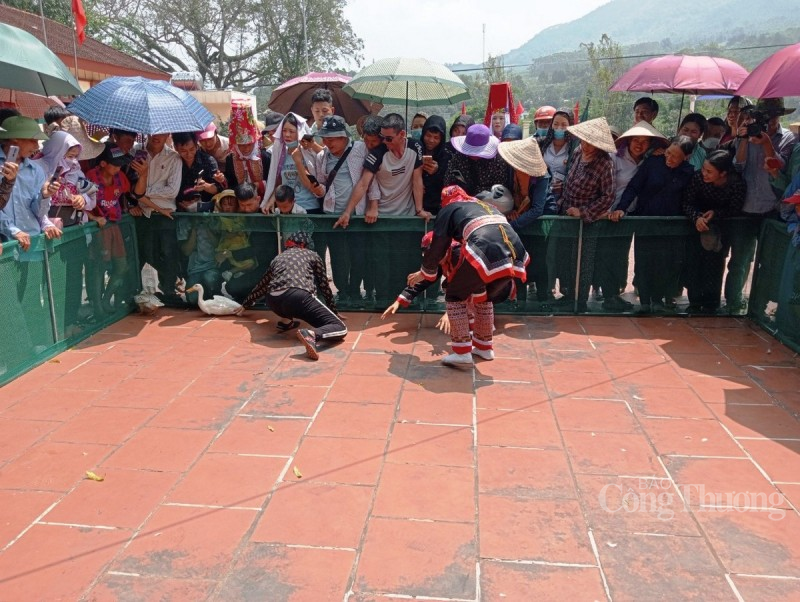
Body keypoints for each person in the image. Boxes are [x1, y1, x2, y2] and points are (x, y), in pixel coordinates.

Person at [407, 185, 528, 367]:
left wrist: (426, 271)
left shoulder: (448, 209)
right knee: (483, 298)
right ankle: (484, 347)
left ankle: (462, 352)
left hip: (486, 246)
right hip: (514, 248)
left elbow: (439, 245)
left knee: (454, 294)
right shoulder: (481, 204)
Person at [726, 97, 797, 314]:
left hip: (773, 209)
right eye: (765, 116)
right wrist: (745, 137)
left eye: (774, 116)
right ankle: (734, 304)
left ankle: (759, 306)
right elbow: (737, 165)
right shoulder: (747, 132)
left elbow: (780, 170)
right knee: (740, 260)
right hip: (746, 207)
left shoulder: (789, 140)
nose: (770, 120)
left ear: (780, 116)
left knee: (769, 262)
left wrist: (766, 143)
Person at [613, 136, 696, 313]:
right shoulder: (653, 163)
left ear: (686, 157)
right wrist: (621, 208)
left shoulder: (688, 172)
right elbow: (633, 187)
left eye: (675, 157)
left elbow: (689, 199)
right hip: (647, 222)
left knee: (665, 263)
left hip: (671, 227)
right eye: (668, 153)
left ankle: (658, 300)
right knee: (644, 262)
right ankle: (644, 301)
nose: (669, 159)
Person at [237, 230, 346, 360]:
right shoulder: (312, 255)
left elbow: (262, 285)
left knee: (289, 304)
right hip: (297, 297)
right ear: (306, 245)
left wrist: (246, 304)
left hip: (273, 301)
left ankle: (285, 322)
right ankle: (312, 334)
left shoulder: (278, 257)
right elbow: (324, 286)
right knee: (339, 327)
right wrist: (333, 311)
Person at [602, 121, 669, 309]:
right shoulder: (614, 157)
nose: (639, 145)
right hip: (609, 212)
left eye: (645, 141)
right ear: (629, 141)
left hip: (632, 213)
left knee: (622, 255)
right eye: (636, 140)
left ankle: (616, 294)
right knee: (610, 255)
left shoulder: (652, 160)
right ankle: (609, 296)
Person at [314, 115, 378, 302]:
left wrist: (373, 204)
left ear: (344, 137)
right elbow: (323, 183)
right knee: (338, 256)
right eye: (325, 138)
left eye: (332, 138)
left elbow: (371, 179)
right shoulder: (322, 156)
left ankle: (355, 291)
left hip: (358, 214)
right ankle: (342, 290)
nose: (327, 142)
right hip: (332, 214)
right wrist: (318, 189)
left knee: (359, 255)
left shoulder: (360, 149)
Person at [556, 117, 617, 311]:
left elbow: (608, 197)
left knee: (584, 262)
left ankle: (580, 300)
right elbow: (569, 178)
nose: (586, 145)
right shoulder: (577, 152)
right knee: (567, 259)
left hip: (588, 222)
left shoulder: (605, 164)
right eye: (584, 140)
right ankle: (567, 296)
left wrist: (583, 212)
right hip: (567, 216)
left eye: (591, 142)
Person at [683, 150, 746, 313]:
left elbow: (735, 208)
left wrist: (716, 214)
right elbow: (687, 202)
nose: (704, 173)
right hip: (695, 227)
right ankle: (694, 303)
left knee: (715, 265)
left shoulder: (737, 184)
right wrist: (697, 217)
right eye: (703, 169)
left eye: (709, 171)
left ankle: (711, 304)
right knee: (694, 264)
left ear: (723, 173)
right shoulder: (698, 178)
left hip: (721, 231)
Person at [498, 137, 553, 306]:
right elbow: (510, 194)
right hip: (520, 219)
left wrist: (512, 226)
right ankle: (520, 299)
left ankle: (543, 298)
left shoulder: (542, 176)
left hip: (540, 222)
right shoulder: (511, 170)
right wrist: (512, 212)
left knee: (539, 259)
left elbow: (537, 208)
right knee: (519, 258)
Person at [128, 132, 183, 299]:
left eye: (161, 132)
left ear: (168, 134)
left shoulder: (174, 158)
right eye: (153, 132)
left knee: (168, 253)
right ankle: (134, 293)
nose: (156, 136)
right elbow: (127, 185)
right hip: (141, 213)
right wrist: (135, 199)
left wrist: (142, 193)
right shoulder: (134, 152)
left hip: (165, 213)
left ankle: (169, 290)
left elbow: (172, 191)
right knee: (144, 253)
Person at [0, 117, 61, 252]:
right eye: (33, 140)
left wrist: (44, 196)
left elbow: (38, 213)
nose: (37, 146)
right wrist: (13, 231)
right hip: (6, 246)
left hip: (33, 243)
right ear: (15, 139)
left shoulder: (36, 170)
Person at [85, 145, 132, 314]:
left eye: (120, 164)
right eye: (114, 164)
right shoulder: (91, 177)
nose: (118, 168)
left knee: (122, 266)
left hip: (114, 225)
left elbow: (128, 192)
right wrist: (94, 218)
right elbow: (82, 204)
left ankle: (106, 300)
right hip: (97, 227)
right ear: (103, 163)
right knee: (99, 267)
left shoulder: (120, 177)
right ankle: (97, 308)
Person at [261, 112, 324, 213]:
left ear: (299, 132)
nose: (287, 134)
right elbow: (279, 182)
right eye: (284, 131)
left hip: (309, 208)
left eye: (291, 131)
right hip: (287, 209)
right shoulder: (280, 154)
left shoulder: (307, 154)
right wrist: (271, 200)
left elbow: (310, 186)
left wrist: (298, 162)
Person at [444, 123, 511, 196]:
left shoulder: (497, 160)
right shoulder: (458, 157)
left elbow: (500, 188)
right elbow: (448, 180)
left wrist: (479, 192)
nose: (474, 156)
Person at [225, 100, 271, 197]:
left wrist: (259, 185)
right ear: (236, 145)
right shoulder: (230, 160)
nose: (246, 149)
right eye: (241, 145)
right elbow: (230, 183)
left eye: (249, 144)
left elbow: (272, 181)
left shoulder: (265, 157)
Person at [172, 131, 224, 212]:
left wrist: (205, 186)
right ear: (175, 148)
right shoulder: (172, 162)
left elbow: (218, 189)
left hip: (205, 210)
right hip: (177, 209)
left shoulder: (208, 161)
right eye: (183, 151)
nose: (189, 154)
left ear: (196, 145)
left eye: (192, 149)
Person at [420, 115, 450, 215]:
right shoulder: (416, 150)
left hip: (438, 207)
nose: (431, 140)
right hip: (416, 204)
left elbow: (449, 183)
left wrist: (438, 172)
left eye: (436, 137)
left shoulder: (447, 156)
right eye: (428, 136)